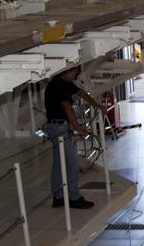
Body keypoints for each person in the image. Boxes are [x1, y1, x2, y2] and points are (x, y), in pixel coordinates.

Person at [43, 66, 102, 209]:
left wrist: (96, 105)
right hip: (59, 128)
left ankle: (58, 197)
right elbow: (67, 107)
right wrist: (77, 127)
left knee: (59, 164)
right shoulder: (58, 86)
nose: (76, 75)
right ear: (66, 71)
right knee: (73, 163)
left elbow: (81, 92)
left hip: (56, 127)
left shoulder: (63, 82)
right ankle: (74, 197)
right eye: (75, 72)